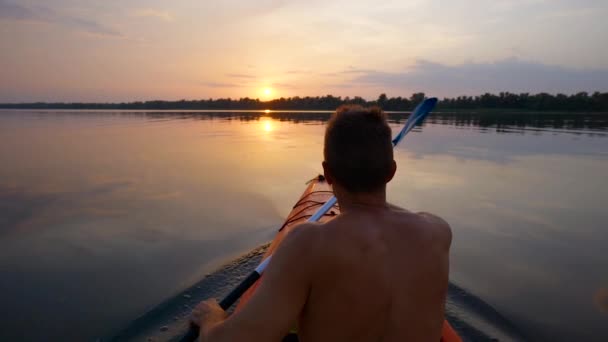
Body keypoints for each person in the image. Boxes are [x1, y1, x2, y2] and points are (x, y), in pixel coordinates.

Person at [191, 105, 452, 341]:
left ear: (327, 174)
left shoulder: (307, 244)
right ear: (391, 172)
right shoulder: (437, 232)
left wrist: (211, 318)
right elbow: (388, 214)